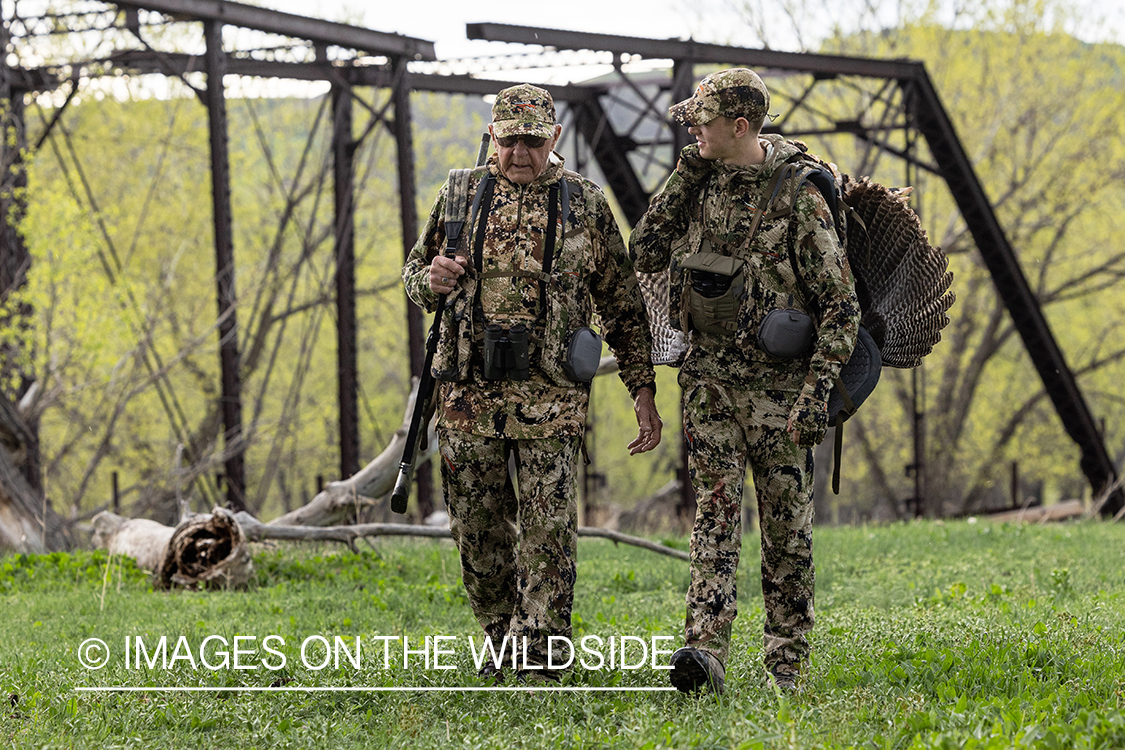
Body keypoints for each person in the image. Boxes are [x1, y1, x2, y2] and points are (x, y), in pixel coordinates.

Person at [402, 83, 662, 684]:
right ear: (493, 135)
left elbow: (623, 307)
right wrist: (431, 278)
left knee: (549, 529)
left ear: (556, 139)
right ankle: (501, 640)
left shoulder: (586, 205)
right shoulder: (460, 195)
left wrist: (641, 390)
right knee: (478, 531)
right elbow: (415, 278)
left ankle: (543, 657)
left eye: (534, 140)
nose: (521, 151)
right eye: (510, 138)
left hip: (553, 399)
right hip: (468, 399)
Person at [630, 69, 860, 694]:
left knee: (787, 530)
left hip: (781, 397)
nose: (693, 130)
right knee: (713, 520)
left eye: (703, 121)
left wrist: (817, 398)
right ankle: (704, 653)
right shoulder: (696, 182)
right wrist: (683, 175)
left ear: (740, 126)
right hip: (709, 388)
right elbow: (644, 252)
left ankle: (788, 662)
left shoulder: (798, 196)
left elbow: (840, 307)